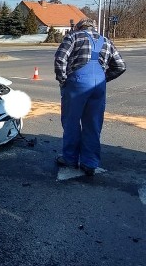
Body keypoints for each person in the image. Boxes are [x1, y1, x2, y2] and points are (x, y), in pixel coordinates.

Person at [53, 18, 126, 176]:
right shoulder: (106, 41)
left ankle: (70, 158)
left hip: (77, 85)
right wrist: (104, 78)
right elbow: (120, 66)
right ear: (94, 27)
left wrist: (63, 80)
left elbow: (60, 59)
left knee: (71, 122)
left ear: (79, 27)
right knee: (93, 124)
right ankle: (90, 162)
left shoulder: (73, 37)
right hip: (98, 87)